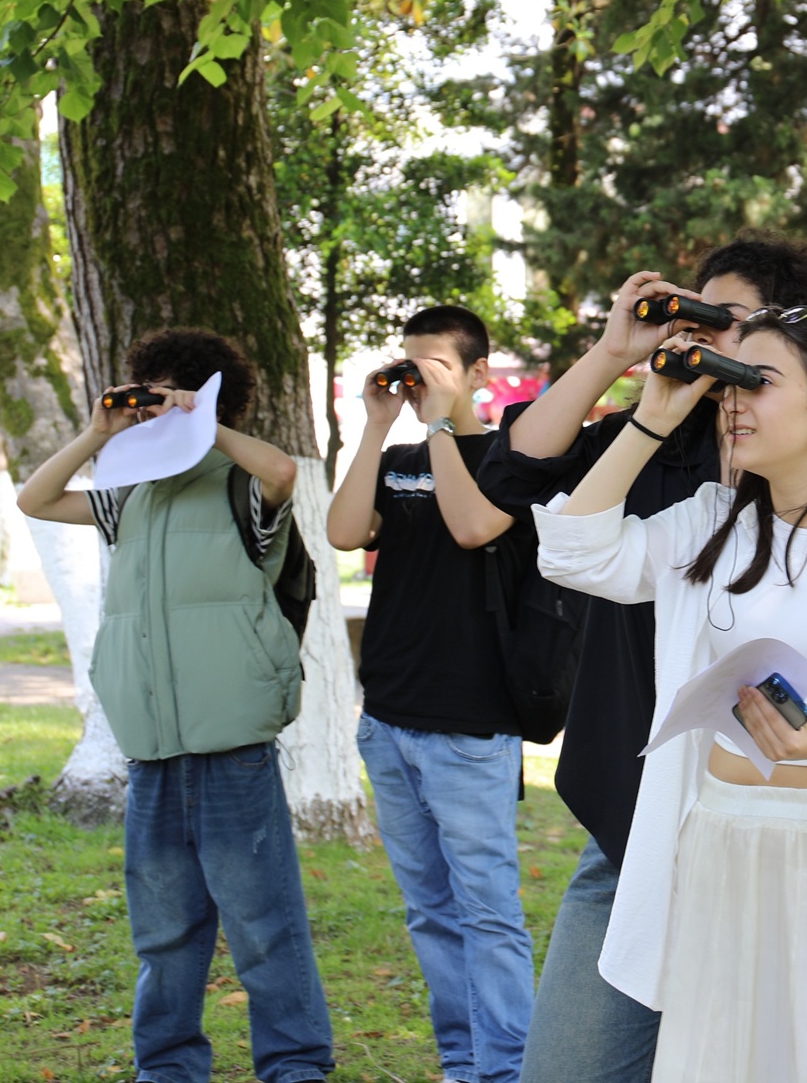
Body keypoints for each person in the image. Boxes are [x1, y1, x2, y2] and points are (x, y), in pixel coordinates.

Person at [474, 234, 807, 1083]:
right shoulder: (673, 453)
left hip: (777, 841)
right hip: (639, 822)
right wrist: (617, 361)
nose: (707, 338)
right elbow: (514, 482)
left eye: (729, 321)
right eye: (700, 315)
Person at [533, 306, 807, 1083]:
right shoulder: (713, 524)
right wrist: (650, 419)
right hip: (719, 842)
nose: (733, 402)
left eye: (758, 383)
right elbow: (573, 553)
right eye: (728, 384)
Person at [15, 327, 331, 1083]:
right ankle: (166, 1068)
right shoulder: (131, 496)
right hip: (153, 744)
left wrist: (200, 420)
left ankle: (294, 1066)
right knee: (162, 930)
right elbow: (35, 499)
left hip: (232, 744)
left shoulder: (238, 485)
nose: (149, 413)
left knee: (263, 924)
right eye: (144, 398)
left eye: (163, 398)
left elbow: (284, 471)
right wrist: (99, 432)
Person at [326, 304, 533, 1083]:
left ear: (478, 372)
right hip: (388, 719)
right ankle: (462, 1062)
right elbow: (344, 533)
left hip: (469, 725)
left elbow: (473, 529)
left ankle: (508, 1070)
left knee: (488, 914)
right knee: (430, 912)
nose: (416, 381)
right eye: (409, 366)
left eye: (435, 367)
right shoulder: (400, 454)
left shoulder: (514, 458)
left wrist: (443, 425)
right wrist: (376, 427)